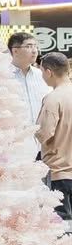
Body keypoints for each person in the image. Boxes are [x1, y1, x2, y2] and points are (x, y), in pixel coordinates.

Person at [37, 52, 72, 220]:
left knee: (60, 226)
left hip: (59, 173)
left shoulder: (53, 99)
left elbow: (44, 134)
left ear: (48, 72)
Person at [8, 32, 49, 132]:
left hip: (41, 136)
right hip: (16, 137)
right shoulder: (3, 76)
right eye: (29, 46)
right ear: (15, 51)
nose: (35, 51)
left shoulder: (42, 75)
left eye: (35, 46)